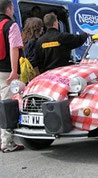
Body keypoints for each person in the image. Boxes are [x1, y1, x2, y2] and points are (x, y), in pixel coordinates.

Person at [0, 0, 24, 153]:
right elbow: (14, 48)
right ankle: (7, 143)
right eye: (13, 8)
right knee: (7, 106)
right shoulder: (11, 25)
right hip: (7, 72)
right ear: (9, 9)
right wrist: (15, 71)